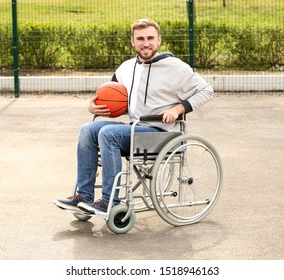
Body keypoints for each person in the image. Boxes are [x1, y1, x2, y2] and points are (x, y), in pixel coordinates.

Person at [54, 18, 214, 213]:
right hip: (135, 128)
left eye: (150, 38)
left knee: (108, 133)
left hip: (161, 133)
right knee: (87, 130)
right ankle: (83, 196)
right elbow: (108, 94)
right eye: (140, 38)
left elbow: (207, 91)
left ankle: (109, 202)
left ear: (159, 40)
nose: (145, 43)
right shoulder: (126, 67)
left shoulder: (176, 67)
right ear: (132, 41)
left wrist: (177, 110)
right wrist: (92, 105)